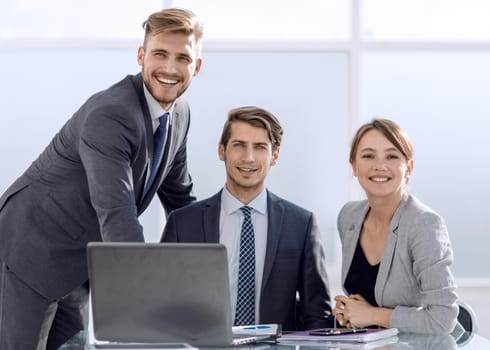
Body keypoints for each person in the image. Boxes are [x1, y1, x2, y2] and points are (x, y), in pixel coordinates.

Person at [0, 8, 203, 350]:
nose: (170, 68)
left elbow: (181, 201)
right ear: (141, 56)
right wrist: (153, 302)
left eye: (182, 57)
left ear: (196, 65)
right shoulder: (111, 114)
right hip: (28, 256)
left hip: (76, 266)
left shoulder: (179, 115)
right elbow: (117, 214)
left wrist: (215, 265)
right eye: (160, 54)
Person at [161, 106, 333, 330]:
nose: (248, 158)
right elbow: (161, 304)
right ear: (221, 151)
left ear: (275, 155)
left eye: (260, 147)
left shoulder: (301, 224)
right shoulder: (182, 224)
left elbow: (317, 314)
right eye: (238, 145)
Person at [333, 118, 458, 334]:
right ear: (353, 166)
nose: (380, 166)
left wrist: (372, 315)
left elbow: (442, 318)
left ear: (408, 167)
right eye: (368, 156)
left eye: (392, 156)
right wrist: (350, 312)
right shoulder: (349, 217)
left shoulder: (424, 224)